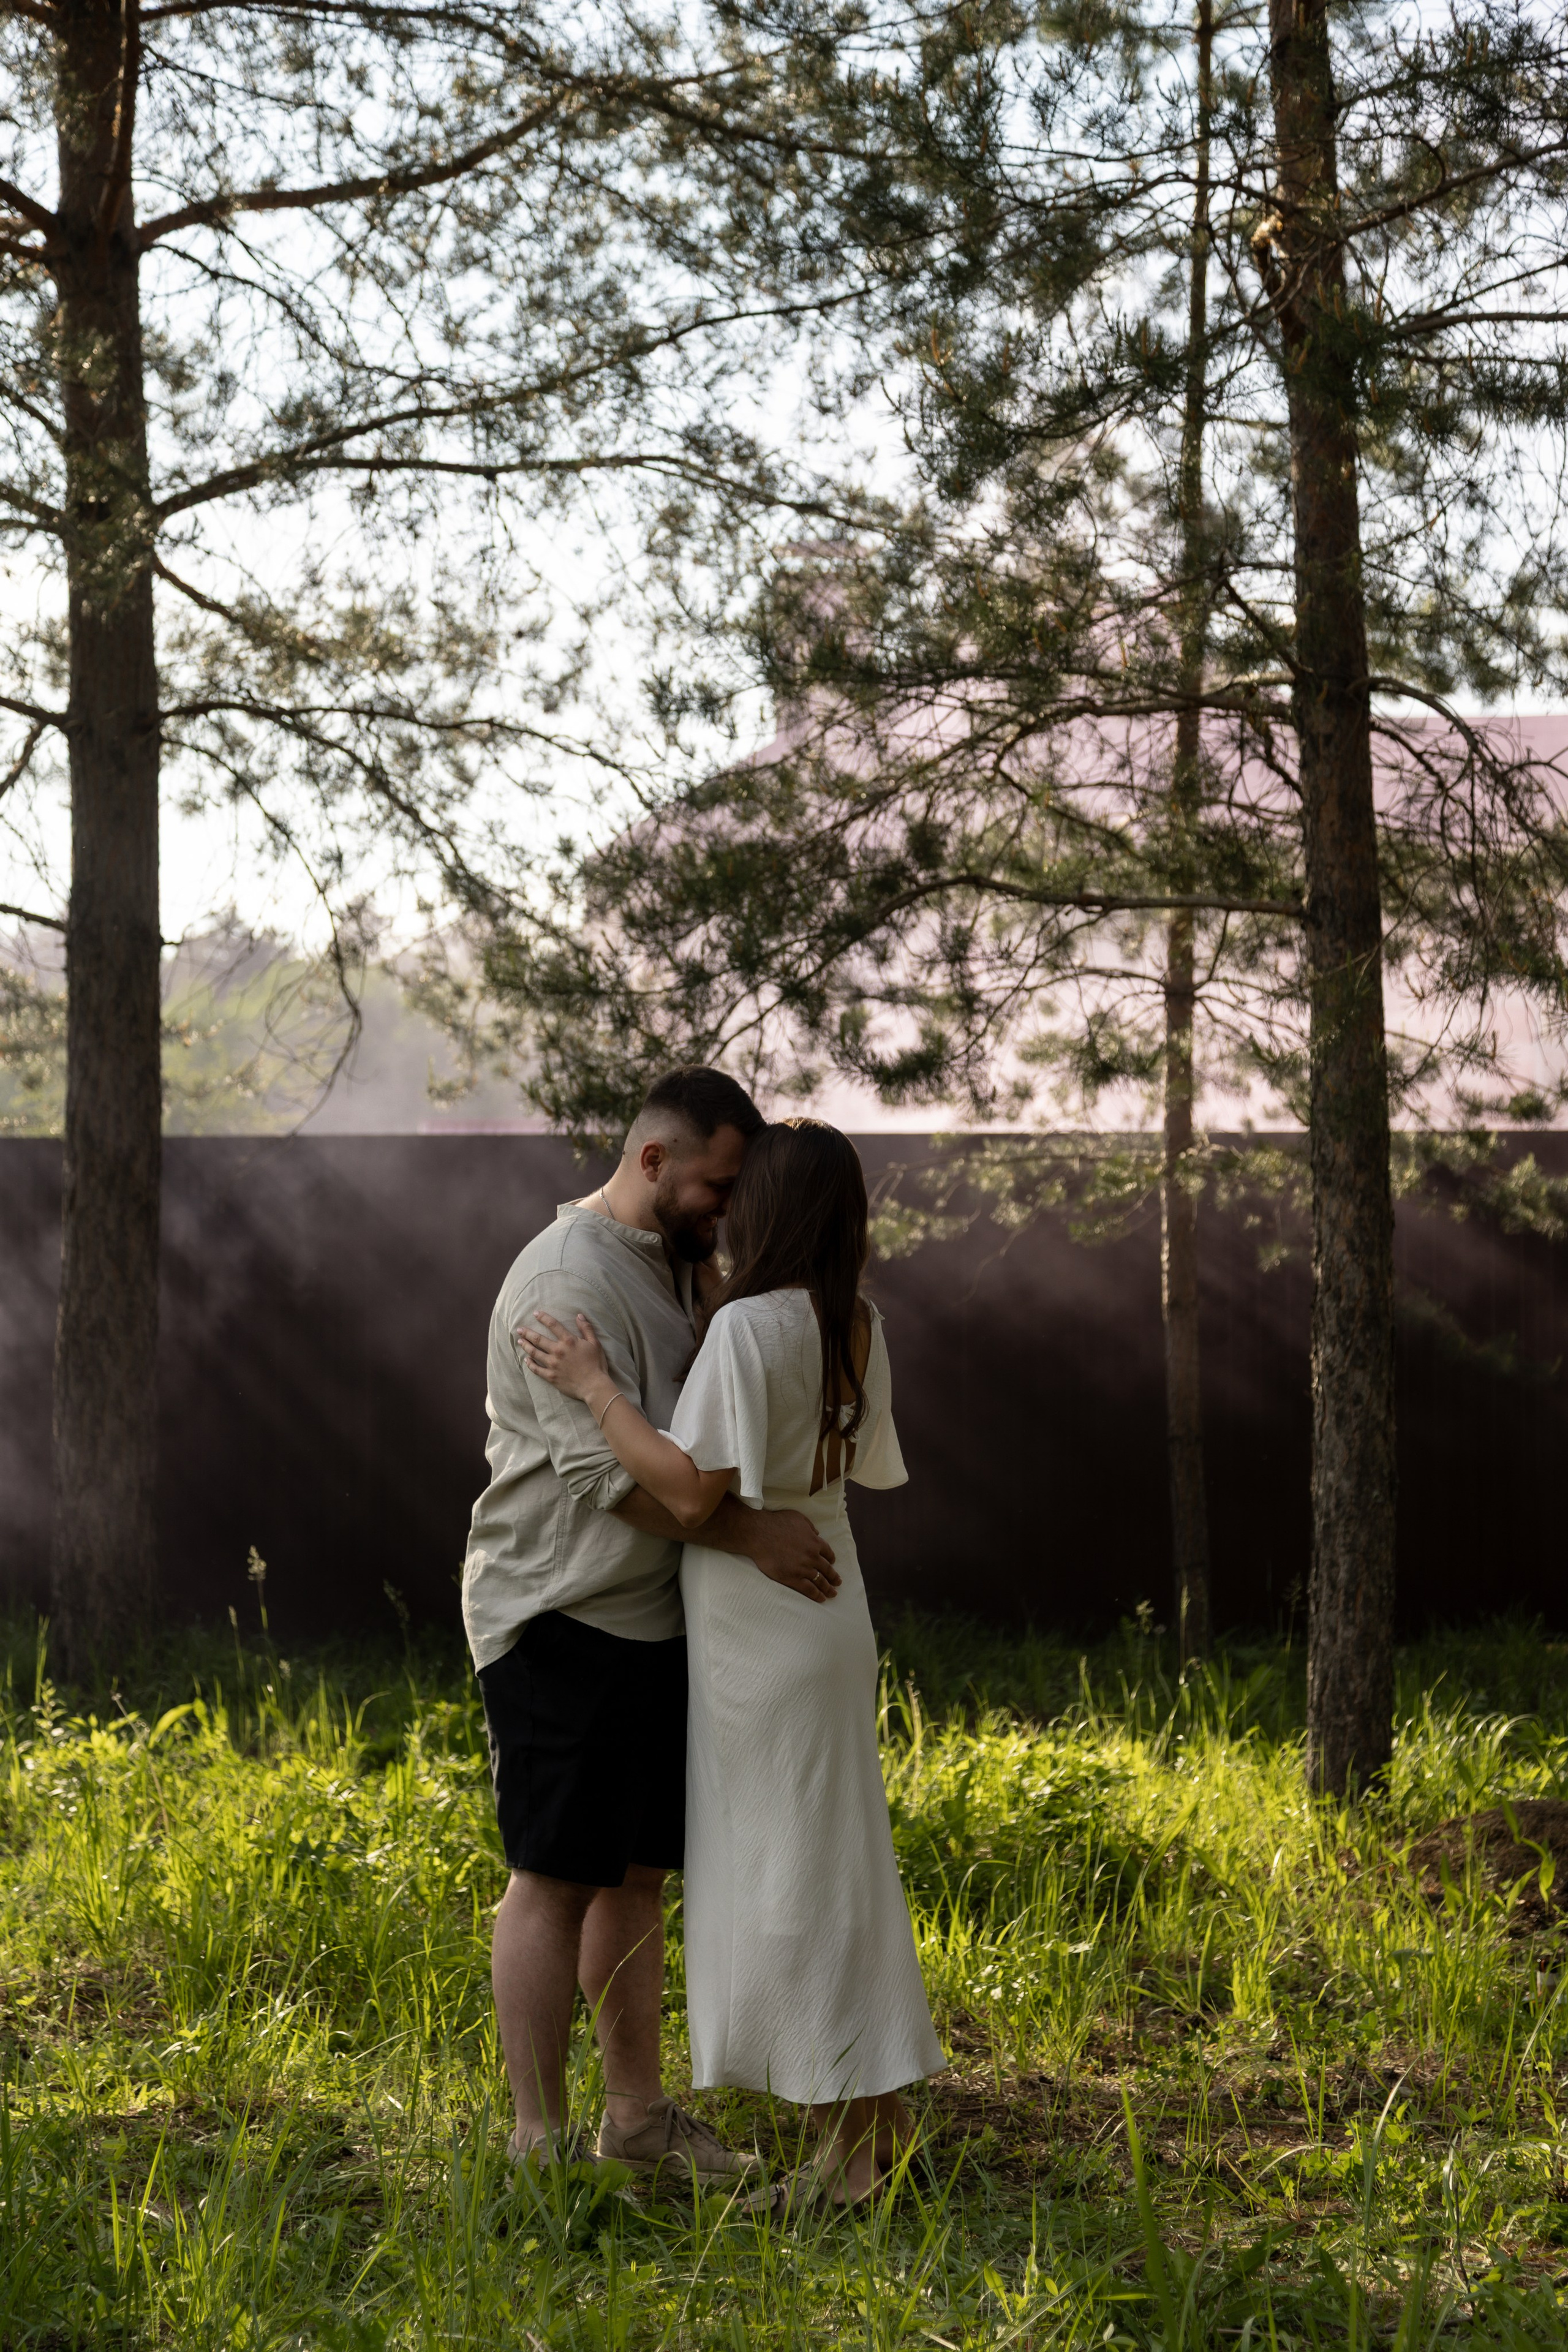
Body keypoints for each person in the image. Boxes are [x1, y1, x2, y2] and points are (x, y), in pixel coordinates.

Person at [519, 1116, 944, 2209]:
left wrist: (591, 1383)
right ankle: (878, 2126)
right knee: (841, 1870)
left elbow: (690, 1487)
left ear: (773, 1206)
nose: (728, 1202)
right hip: (831, 1608)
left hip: (765, 1628)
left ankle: (844, 2163)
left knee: (793, 1884)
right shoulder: (856, 1322)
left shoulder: (754, 1327)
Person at [464, 1068, 845, 2180]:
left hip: (655, 1618)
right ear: (653, 1163)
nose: (731, 1204)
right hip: (559, 1613)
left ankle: (636, 2125)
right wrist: (753, 1538)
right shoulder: (562, 1281)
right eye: (718, 1185)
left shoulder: (679, 1263)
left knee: (633, 1875)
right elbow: (604, 1480)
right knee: (553, 1875)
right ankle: (538, 2149)